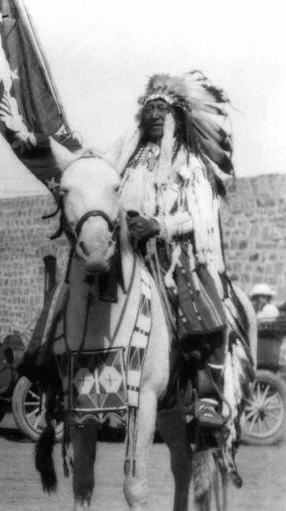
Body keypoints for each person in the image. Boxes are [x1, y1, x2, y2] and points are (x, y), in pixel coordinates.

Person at [111, 72, 248, 428]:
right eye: (150, 109)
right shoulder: (129, 162)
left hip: (174, 256)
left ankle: (207, 396)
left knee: (205, 314)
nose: (156, 115)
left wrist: (159, 225)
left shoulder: (192, 163)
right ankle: (52, 372)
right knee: (76, 288)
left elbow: (200, 215)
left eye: (164, 110)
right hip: (128, 248)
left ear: (177, 118)